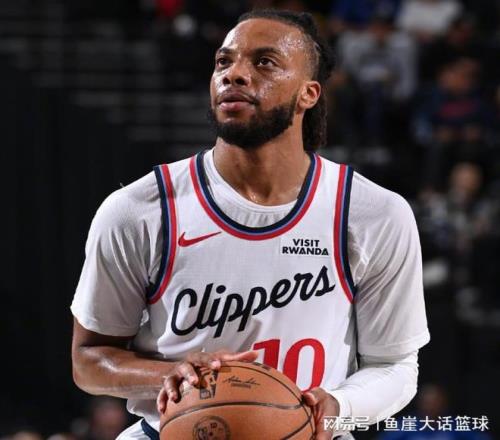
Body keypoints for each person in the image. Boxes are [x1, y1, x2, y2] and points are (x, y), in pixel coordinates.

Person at [71, 9, 430, 440]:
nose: (234, 74)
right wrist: (167, 375)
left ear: (308, 94)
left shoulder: (373, 213)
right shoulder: (138, 210)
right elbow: (89, 358)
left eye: (264, 62)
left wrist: (339, 407)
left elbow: (395, 367)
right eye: (224, 61)